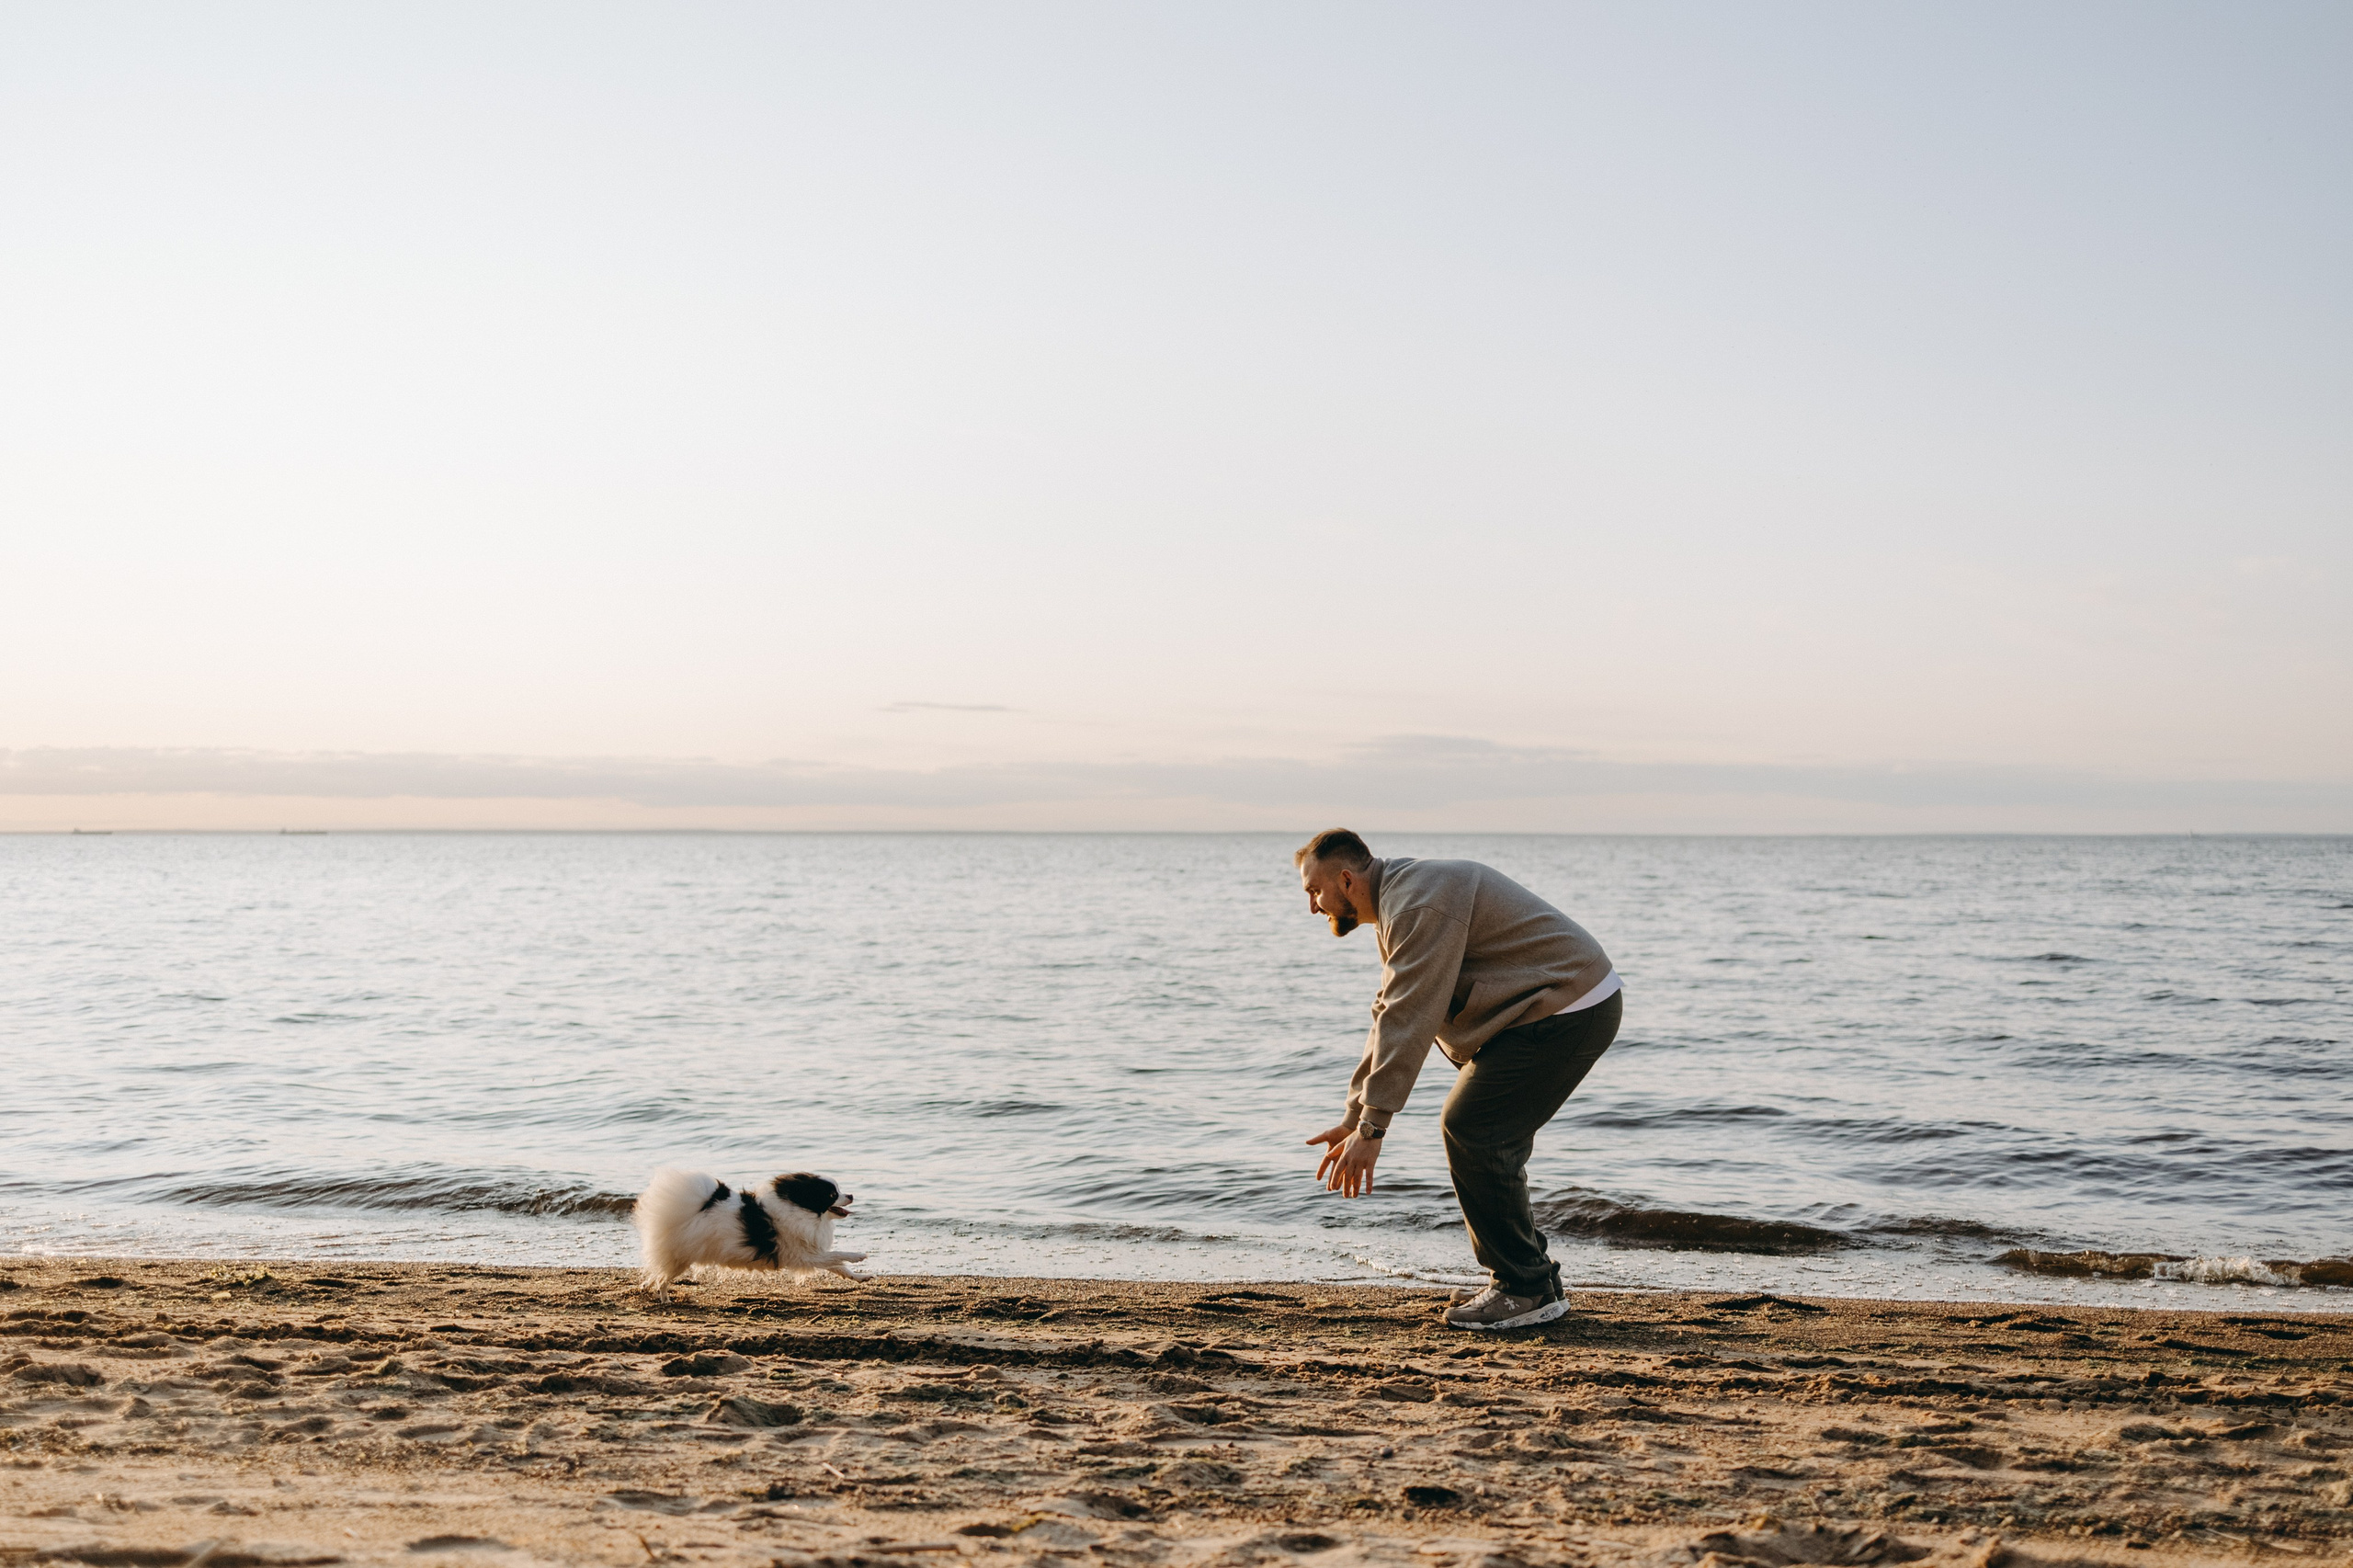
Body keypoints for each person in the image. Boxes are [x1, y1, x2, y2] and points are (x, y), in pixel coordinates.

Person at [1297, 828, 1621, 1330]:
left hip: (1567, 1007)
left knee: (1473, 1128)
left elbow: (1411, 1015)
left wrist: (1374, 1129)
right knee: (1482, 1132)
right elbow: (1390, 1014)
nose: (1313, 907)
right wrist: (1355, 1114)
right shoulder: (1403, 899)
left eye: (1314, 891)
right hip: (1555, 1008)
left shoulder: (1417, 904)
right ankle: (1532, 1280)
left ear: (1345, 878)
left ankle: (1523, 1288)